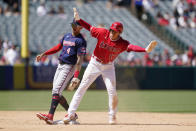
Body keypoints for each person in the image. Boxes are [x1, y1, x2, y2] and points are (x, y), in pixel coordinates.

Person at [63, 8, 157, 124]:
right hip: (94, 63)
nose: (112, 32)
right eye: (111, 30)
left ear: (119, 33)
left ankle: (112, 116)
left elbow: (131, 47)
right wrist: (79, 20)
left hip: (108, 67)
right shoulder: (102, 32)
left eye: (115, 31)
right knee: (82, 87)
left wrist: (145, 50)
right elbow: (89, 27)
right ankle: (70, 113)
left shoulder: (122, 43)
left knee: (112, 91)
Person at [36, 20, 87, 124]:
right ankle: (72, 114)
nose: (73, 27)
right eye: (73, 25)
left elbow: (79, 59)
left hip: (69, 67)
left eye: (76, 26)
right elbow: (58, 47)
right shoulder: (67, 36)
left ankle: (50, 116)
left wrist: (76, 76)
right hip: (60, 65)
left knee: (56, 91)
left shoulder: (81, 41)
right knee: (56, 92)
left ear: (80, 28)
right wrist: (44, 54)